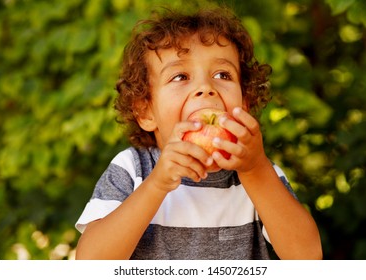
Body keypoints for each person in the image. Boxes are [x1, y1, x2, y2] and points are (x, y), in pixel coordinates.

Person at [75, 6, 322, 260]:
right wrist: (157, 184)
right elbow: (90, 263)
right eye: (180, 76)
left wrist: (255, 170)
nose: (206, 88)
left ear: (244, 103)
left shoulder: (259, 173)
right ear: (146, 111)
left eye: (222, 74)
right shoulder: (133, 169)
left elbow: (307, 257)